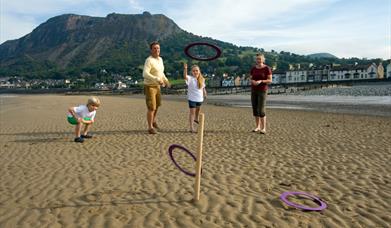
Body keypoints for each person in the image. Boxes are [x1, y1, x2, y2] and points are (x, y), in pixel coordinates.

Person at [143, 41, 170, 134]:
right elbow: (145, 74)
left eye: (158, 48)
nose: (157, 50)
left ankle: (153, 121)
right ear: (151, 50)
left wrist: (166, 80)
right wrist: (156, 79)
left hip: (158, 86)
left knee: (157, 105)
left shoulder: (160, 60)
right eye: (154, 48)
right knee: (151, 107)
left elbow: (161, 73)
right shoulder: (149, 60)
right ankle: (150, 128)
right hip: (150, 86)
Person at [250, 53, 272, 134]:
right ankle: (257, 127)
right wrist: (253, 82)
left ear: (263, 59)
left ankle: (263, 128)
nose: (258, 60)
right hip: (254, 90)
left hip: (262, 90)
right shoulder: (253, 68)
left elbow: (270, 80)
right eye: (257, 59)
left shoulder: (267, 68)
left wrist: (261, 81)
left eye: (260, 59)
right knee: (255, 109)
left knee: (261, 110)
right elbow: (251, 78)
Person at [183, 63, 207, 133]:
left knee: (198, 110)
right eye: (194, 71)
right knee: (192, 113)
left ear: (199, 71)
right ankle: (191, 127)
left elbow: (203, 87)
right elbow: (185, 76)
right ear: (192, 72)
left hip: (199, 98)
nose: (195, 72)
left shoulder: (202, 79)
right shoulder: (190, 78)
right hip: (192, 99)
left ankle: (196, 118)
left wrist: (205, 93)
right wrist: (185, 69)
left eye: (196, 70)